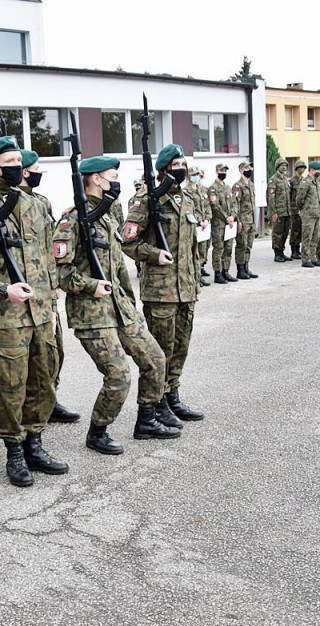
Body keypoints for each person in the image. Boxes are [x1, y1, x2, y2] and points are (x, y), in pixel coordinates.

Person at [53, 155, 179, 454]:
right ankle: (98, 431)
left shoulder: (109, 214)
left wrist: (130, 303)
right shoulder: (72, 219)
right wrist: (91, 285)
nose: (116, 181)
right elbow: (59, 272)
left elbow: (119, 265)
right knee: (118, 374)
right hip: (92, 314)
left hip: (119, 307)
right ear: (96, 178)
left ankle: (147, 419)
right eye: (111, 175)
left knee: (155, 359)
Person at [0, 136, 69, 487]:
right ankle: (14, 451)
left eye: (17, 160)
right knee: (12, 387)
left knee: (44, 381)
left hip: (41, 313)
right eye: (7, 161)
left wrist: (52, 306)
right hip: (7, 318)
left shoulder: (36, 205)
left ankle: (35, 443)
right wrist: (2, 288)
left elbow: (49, 260)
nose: (15, 166)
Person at [122, 144, 204, 427]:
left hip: (184, 288)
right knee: (161, 350)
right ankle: (156, 404)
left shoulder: (189, 199)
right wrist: (155, 254)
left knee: (181, 346)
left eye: (184, 163)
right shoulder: (147, 200)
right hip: (160, 291)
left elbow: (192, 247)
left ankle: (172, 397)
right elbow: (128, 243)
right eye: (177, 163)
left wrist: (195, 283)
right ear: (164, 169)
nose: (182, 168)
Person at [20, 148, 80, 425]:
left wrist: (54, 285)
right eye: (35, 170)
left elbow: (50, 247)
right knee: (28, 360)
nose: (38, 175)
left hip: (47, 291)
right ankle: (30, 408)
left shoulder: (41, 201)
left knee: (55, 351)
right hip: (24, 293)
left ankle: (50, 399)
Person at [209, 163, 237, 284]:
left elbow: (234, 203)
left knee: (228, 248)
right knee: (219, 248)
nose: (223, 173)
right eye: (221, 170)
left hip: (229, 224)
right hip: (219, 224)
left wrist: (232, 216)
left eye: (225, 171)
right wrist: (226, 218)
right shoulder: (213, 188)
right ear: (216, 171)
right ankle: (218, 273)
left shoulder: (228, 188)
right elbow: (215, 206)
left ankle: (226, 271)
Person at [295, 161, 320, 268]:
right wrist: (302, 209)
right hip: (308, 214)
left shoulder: (317, 182)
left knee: (315, 237)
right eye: (319, 170)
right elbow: (299, 199)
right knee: (307, 237)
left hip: (317, 214)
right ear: (312, 170)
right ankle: (306, 259)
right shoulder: (305, 182)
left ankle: (313, 258)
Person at [185, 167, 211, 287]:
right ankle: (195, 278)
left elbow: (207, 207)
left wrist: (207, 219)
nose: (195, 176)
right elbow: (189, 210)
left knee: (203, 250)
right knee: (195, 252)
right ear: (188, 176)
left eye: (197, 174)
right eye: (193, 174)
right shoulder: (186, 192)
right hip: (195, 226)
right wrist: (200, 221)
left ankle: (200, 274)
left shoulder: (201, 190)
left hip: (204, 226)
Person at [232, 161, 259, 279]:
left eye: (250, 167)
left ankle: (246, 267)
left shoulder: (251, 185)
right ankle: (240, 269)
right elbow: (235, 204)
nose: (250, 169)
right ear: (241, 170)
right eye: (247, 168)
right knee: (241, 245)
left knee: (249, 245)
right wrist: (238, 221)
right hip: (242, 220)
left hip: (251, 220)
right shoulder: (237, 186)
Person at [268, 159, 292, 262]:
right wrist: (273, 212)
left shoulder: (286, 179)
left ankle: (282, 251)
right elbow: (271, 197)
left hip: (287, 211)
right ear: (277, 167)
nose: (284, 167)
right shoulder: (273, 180)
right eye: (281, 165)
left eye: (285, 166)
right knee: (277, 233)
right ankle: (277, 253)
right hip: (278, 212)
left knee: (285, 232)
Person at [287, 160, 307, 261]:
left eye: (303, 168)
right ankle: (293, 251)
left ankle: (298, 249)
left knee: (300, 230)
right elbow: (289, 196)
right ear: (296, 169)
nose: (302, 170)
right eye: (300, 168)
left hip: (302, 210)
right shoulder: (291, 181)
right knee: (294, 231)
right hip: (294, 210)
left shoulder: (304, 180)